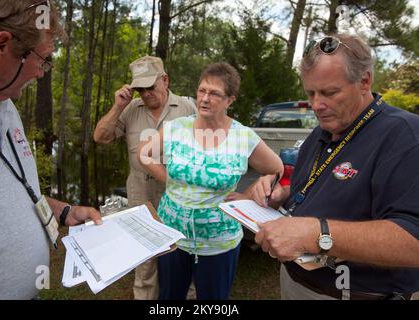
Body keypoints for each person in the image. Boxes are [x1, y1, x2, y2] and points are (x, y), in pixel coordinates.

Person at [248, 34, 419, 300]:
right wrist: (282, 195)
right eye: (311, 93)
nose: (317, 105)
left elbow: (413, 241)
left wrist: (318, 234)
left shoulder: (405, 136)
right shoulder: (320, 133)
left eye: (330, 92)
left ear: (364, 81)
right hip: (295, 282)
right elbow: (315, 192)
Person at [0, 0, 102, 300]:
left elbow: (12, 191)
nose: (42, 72)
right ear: (1, 44)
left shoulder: (5, 104)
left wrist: (65, 212)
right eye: (43, 60)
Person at [138, 62, 284, 300]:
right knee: (169, 298)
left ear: (230, 100)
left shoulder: (242, 136)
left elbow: (276, 168)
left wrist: (248, 196)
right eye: (201, 91)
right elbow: (144, 153)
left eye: (214, 94)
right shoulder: (176, 128)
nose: (204, 99)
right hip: (173, 237)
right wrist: (169, 181)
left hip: (219, 242)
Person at [93, 55, 197, 300]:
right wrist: (118, 105)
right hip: (141, 195)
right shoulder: (130, 109)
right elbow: (100, 137)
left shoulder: (187, 108)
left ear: (165, 80)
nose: (146, 93)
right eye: (140, 89)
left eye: (151, 86)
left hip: (179, 197)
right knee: (145, 260)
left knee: (182, 254)